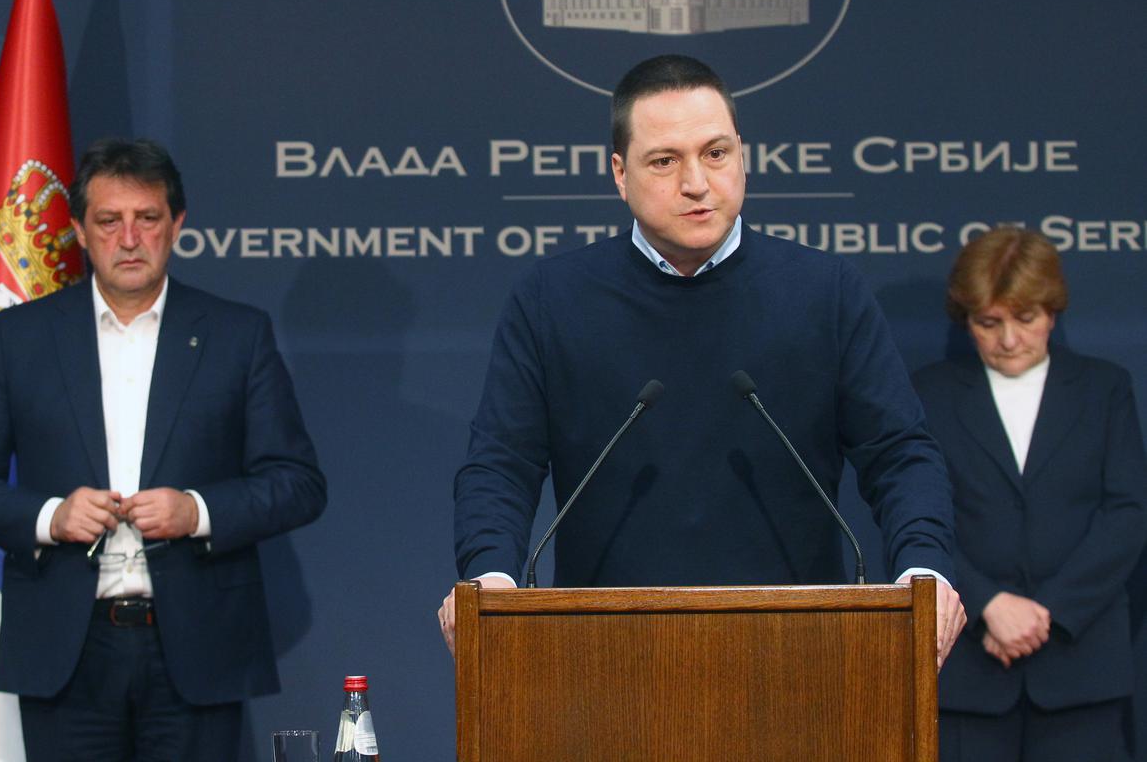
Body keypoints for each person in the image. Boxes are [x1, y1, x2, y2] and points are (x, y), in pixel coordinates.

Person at [439, 54, 966, 667]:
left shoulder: (825, 291)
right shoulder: (553, 299)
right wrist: (492, 578)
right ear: (619, 173)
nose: (696, 183)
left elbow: (900, 455)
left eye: (715, 153)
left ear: (743, 154)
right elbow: (501, 464)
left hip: (801, 654)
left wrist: (923, 570)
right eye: (664, 161)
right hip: (602, 652)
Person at [0, 137, 326, 762]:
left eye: (147, 219)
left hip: (195, 646)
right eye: (109, 221)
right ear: (80, 233)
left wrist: (196, 511)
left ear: (177, 225)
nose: (130, 238)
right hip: (68, 644)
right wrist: (47, 517)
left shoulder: (235, 335)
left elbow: (298, 482)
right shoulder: (21, 337)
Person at [913, 226, 1147, 760]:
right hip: (967, 674)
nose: (1010, 340)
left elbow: (1128, 514)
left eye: (1025, 319)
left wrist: (1050, 612)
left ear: (1052, 312)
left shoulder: (1104, 389)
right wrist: (989, 603)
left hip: (1080, 666)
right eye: (989, 323)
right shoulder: (930, 393)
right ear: (967, 321)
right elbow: (919, 515)